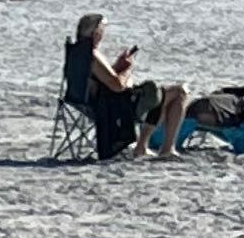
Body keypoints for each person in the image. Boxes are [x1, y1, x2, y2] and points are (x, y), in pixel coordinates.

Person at [66, 14, 185, 158]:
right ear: (96, 33)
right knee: (176, 93)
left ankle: (145, 146)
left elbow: (103, 80)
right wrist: (128, 68)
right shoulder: (92, 55)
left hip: (84, 101)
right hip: (111, 106)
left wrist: (118, 66)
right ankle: (161, 148)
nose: (103, 35)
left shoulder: (78, 52)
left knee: (160, 93)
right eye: (102, 31)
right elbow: (117, 86)